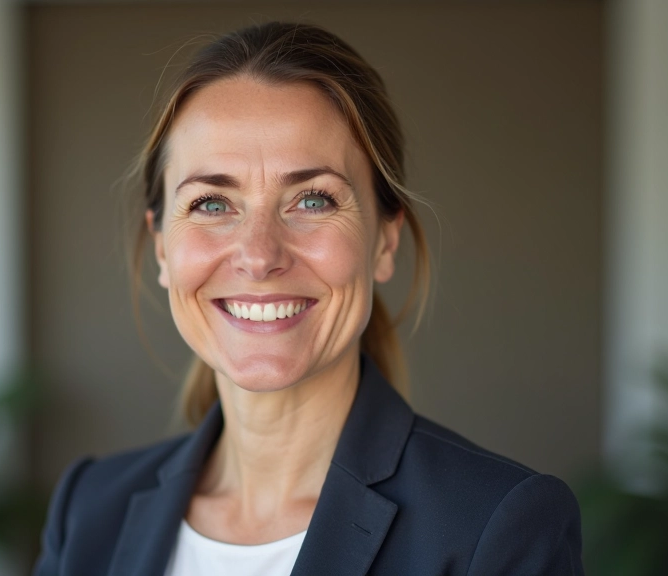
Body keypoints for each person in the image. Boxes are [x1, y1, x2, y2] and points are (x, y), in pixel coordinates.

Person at [33, 21, 584, 576]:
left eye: (314, 200)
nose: (259, 254)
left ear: (384, 241)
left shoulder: (497, 526)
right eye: (212, 203)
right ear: (161, 247)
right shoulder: (88, 509)